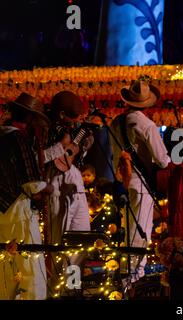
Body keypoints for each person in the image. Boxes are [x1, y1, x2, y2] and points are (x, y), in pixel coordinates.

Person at [110, 79, 170, 283]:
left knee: (127, 229)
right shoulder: (146, 124)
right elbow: (162, 160)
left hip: (122, 182)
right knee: (140, 232)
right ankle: (133, 280)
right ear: (147, 104)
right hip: (140, 181)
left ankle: (126, 275)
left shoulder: (115, 122)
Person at [0, 93, 53, 300]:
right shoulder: (18, 139)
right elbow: (33, 185)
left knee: (5, 270)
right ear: (30, 119)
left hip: (2, 213)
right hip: (18, 213)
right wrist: (49, 189)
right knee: (31, 268)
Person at [44, 90, 93, 294]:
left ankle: (73, 289)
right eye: (73, 118)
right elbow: (39, 158)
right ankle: (57, 291)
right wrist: (60, 147)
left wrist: (84, 146)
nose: (76, 122)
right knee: (58, 243)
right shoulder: (44, 129)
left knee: (81, 239)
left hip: (76, 185)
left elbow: (75, 158)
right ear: (62, 114)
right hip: (55, 186)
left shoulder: (76, 129)